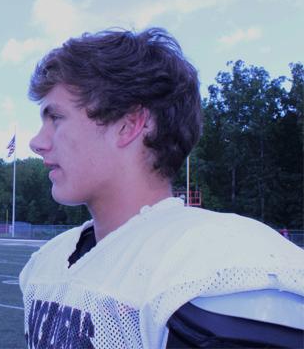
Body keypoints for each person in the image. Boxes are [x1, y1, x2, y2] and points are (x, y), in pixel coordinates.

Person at [20, 28, 304, 348]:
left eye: (55, 118)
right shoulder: (48, 262)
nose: (37, 142)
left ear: (129, 125)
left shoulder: (211, 270)